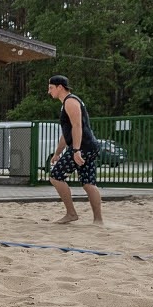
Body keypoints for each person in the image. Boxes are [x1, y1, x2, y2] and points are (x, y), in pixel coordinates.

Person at [46, 75, 103, 225]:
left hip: (83, 147)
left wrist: (76, 150)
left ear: (60, 87)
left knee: (56, 177)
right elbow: (67, 133)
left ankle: (71, 214)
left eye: (51, 88)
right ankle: (98, 220)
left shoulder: (70, 101)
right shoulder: (67, 102)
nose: (49, 91)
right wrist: (57, 153)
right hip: (88, 146)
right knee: (88, 183)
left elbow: (77, 126)